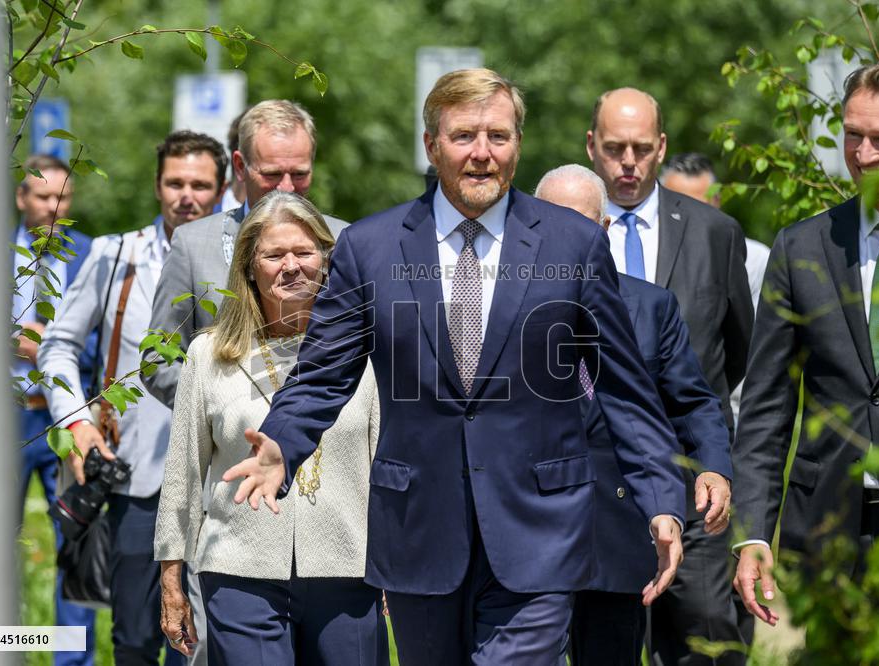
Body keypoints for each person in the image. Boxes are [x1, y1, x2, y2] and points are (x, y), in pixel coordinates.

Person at [224, 68, 686, 664]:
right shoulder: (371, 248)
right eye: (464, 136)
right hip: (418, 527)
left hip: (541, 527)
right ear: (432, 145)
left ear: (518, 145)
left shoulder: (573, 244)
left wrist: (660, 497)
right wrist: (283, 444)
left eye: (498, 136)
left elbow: (625, 389)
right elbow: (323, 372)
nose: (482, 154)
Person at [154, 191, 388, 665]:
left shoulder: (367, 351)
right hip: (240, 570)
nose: (291, 266)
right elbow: (183, 474)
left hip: (348, 568)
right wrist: (171, 577)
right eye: (274, 254)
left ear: (327, 261)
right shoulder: (209, 354)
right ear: (248, 266)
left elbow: (386, 462)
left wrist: (397, 562)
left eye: (304, 252)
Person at [733, 56, 879, 627]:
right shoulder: (803, 247)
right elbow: (765, 409)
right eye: (852, 136)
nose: (863, 157)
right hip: (825, 534)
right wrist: (750, 534)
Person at [39, 130, 227, 665]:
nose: (185, 195)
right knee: (137, 641)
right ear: (157, 185)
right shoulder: (115, 255)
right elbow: (58, 345)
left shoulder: (240, 258)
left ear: (222, 188)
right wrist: (77, 424)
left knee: (209, 645)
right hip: (136, 477)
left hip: (218, 480)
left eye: (199, 184)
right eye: (175, 182)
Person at [535, 165, 733, 666]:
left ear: (602, 229)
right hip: (529, 538)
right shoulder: (503, 308)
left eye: (576, 225)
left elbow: (692, 402)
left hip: (618, 534)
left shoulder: (651, 307)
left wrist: (712, 465)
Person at [587, 88, 754, 665]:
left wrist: (712, 458)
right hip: (593, 486)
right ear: (592, 147)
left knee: (702, 644)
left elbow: (735, 356)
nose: (627, 162)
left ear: (661, 147)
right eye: (614, 149)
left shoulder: (716, 233)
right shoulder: (562, 230)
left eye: (639, 148)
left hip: (690, 486)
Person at [144, 100, 347, 410]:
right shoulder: (193, 244)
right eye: (272, 174)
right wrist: (220, 410)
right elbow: (159, 358)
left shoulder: (345, 241)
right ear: (240, 166)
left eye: (300, 174)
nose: (287, 188)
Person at [13, 153, 97, 666]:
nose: (52, 207)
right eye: (42, 196)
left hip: (69, 417)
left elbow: (95, 344)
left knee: (76, 545)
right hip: (4, 417)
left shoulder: (92, 255)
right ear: (22, 197)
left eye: (61, 197)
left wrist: (30, 339)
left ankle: (73, 660)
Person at [660, 152, 771, 311]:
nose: (689, 220)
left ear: (717, 202)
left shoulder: (754, 259)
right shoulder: (643, 251)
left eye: (700, 209)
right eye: (679, 207)